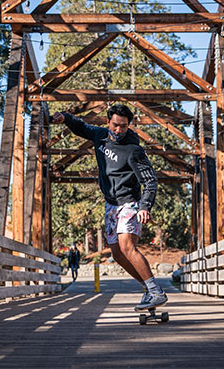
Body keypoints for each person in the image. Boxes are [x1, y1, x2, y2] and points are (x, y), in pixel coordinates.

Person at [52, 104, 167, 310]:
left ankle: (156, 291)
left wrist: (145, 207)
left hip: (130, 202)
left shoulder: (134, 150)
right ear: (108, 122)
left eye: (123, 127)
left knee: (127, 247)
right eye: (115, 125)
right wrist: (66, 118)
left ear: (128, 126)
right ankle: (149, 289)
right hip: (111, 204)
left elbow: (151, 181)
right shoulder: (101, 136)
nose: (118, 131)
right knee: (117, 254)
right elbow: (81, 127)